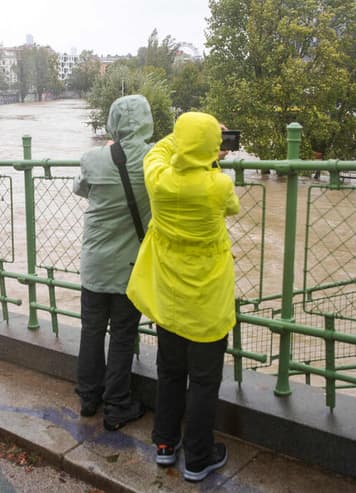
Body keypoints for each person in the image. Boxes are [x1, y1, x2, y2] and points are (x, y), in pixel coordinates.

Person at [127, 112, 240, 482]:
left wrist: (187, 143)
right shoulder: (218, 185)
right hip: (206, 301)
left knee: (170, 371)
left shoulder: (159, 180)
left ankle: (164, 443)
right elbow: (231, 208)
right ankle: (197, 457)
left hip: (170, 297)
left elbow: (156, 152)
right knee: (204, 381)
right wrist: (209, 156)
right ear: (213, 147)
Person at [72, 95, 152, 430]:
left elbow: (82, 189)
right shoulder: (155, 159)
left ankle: (89, 397)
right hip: (130, 267)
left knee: (91, 330)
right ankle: (117, 406)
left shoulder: (92, 157)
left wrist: (109, 151)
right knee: (122, 333)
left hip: (94, 263)